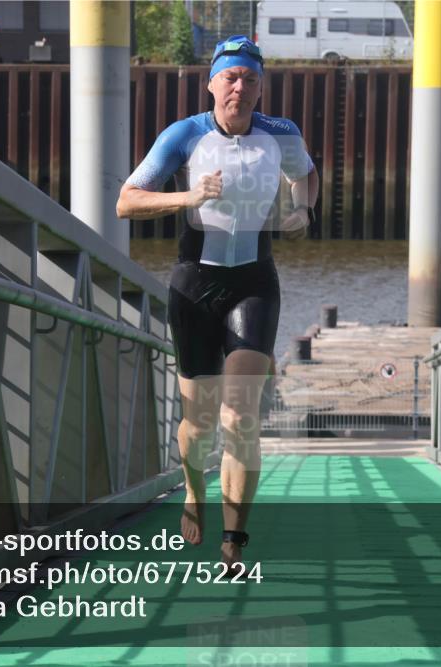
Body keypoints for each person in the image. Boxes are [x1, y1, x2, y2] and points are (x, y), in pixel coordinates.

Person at [116, 35, 319, 569]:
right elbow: (126, 201)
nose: (240, 87)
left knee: (240, 416)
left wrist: (303, 209)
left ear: (260, 87)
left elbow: (307, 176)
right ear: (211, 82)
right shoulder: (185, 135)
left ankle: (235, 539)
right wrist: (191, 196)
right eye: (230, 77)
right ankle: (191, 489)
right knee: (200, 423)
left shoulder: (282, 134)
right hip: (194, 285)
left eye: (250, 78)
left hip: (254, 283)